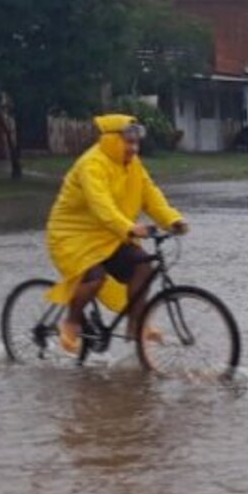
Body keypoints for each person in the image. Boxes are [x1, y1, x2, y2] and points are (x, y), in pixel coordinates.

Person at [45, 113, 189, 355]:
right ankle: (71, 322)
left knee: (143, 266)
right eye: (128, 142)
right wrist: (130, 228)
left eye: (136, 143)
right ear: (112, 140)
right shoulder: (92, 165)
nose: (133, 148)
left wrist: (172, 219)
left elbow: (151, 196)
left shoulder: (133, 166)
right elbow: (101, 205)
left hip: (110, 235)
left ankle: (136, 325)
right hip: (73, 236)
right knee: (94, 278)